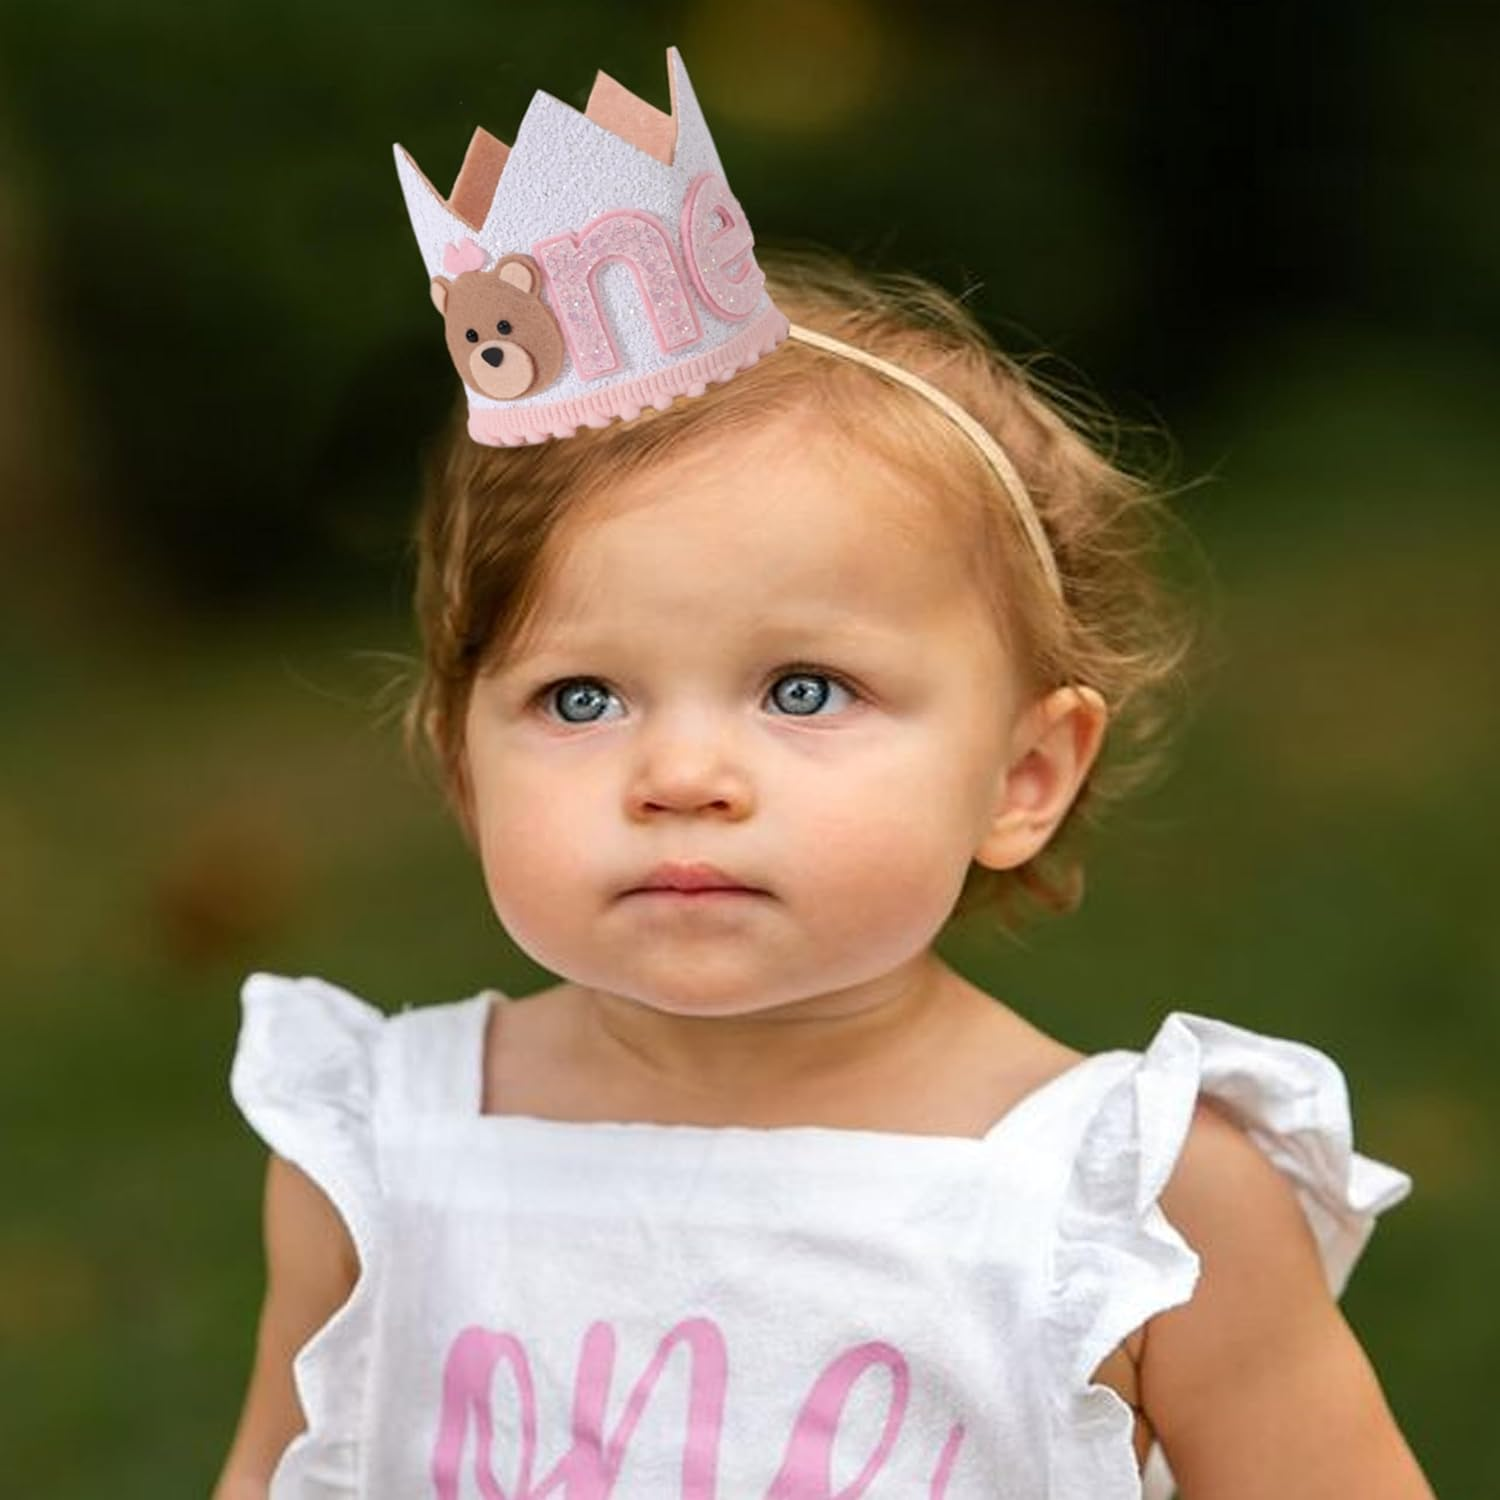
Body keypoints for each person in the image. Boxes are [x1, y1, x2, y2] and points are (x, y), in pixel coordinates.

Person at [212, 45, 1436, 1500]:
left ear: (1023, 775)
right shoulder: (383, 1158)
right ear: (461, 763)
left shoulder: (1128, 1205)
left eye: (805, 690)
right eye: (580, 697)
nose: (680, 774)